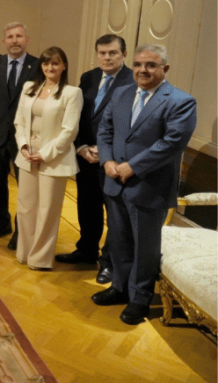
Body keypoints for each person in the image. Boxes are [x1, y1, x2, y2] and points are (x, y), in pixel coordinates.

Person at [93, 44, 196, 325]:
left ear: (165, 69)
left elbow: (172, 144)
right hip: (114, 182)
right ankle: (119, 288)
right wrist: (107, 161)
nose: (142, 70)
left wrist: (132, 166)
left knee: (144, 248)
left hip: (149, 188)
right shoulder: (122, 93)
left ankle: (140, 299)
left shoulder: (180, 101)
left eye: (151, 65)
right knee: (119, 241)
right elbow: (106, 130)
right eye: (138, 64)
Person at [56, 34, 132, 283]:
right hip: (86, 157)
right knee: (87, 206)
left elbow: (133, 125)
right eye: (102, 53)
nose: (107, 57)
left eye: (113, 53)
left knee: (114, 213)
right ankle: (87, 250)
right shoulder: (88, 77)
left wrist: (106, 151)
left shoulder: (133, 81)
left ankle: (108, 262)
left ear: (124, 54)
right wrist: (80, 148)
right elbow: (77, 116)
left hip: (114, 161)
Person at [13, 47, 83, 270]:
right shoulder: (29, 88)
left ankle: (40, 258)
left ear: (63, 66)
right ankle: (24, 253)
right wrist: (23, 146)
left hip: (53, 158)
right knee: (25, 208)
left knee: (47, 211)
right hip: (27, 155)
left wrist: (44, 154)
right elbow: (19, 122)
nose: (50, 68)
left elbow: (69, 131)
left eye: (55, 63)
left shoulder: (72, 93)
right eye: (46, 63)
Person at [0, 22, 39, 248]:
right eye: (10, 37)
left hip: (26, 141)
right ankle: (3, 222)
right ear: (3, 42)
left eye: (19, 36)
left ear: (27, 39)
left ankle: (21, 230)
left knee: (25, 188)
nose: (14, 40)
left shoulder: (38, 66)